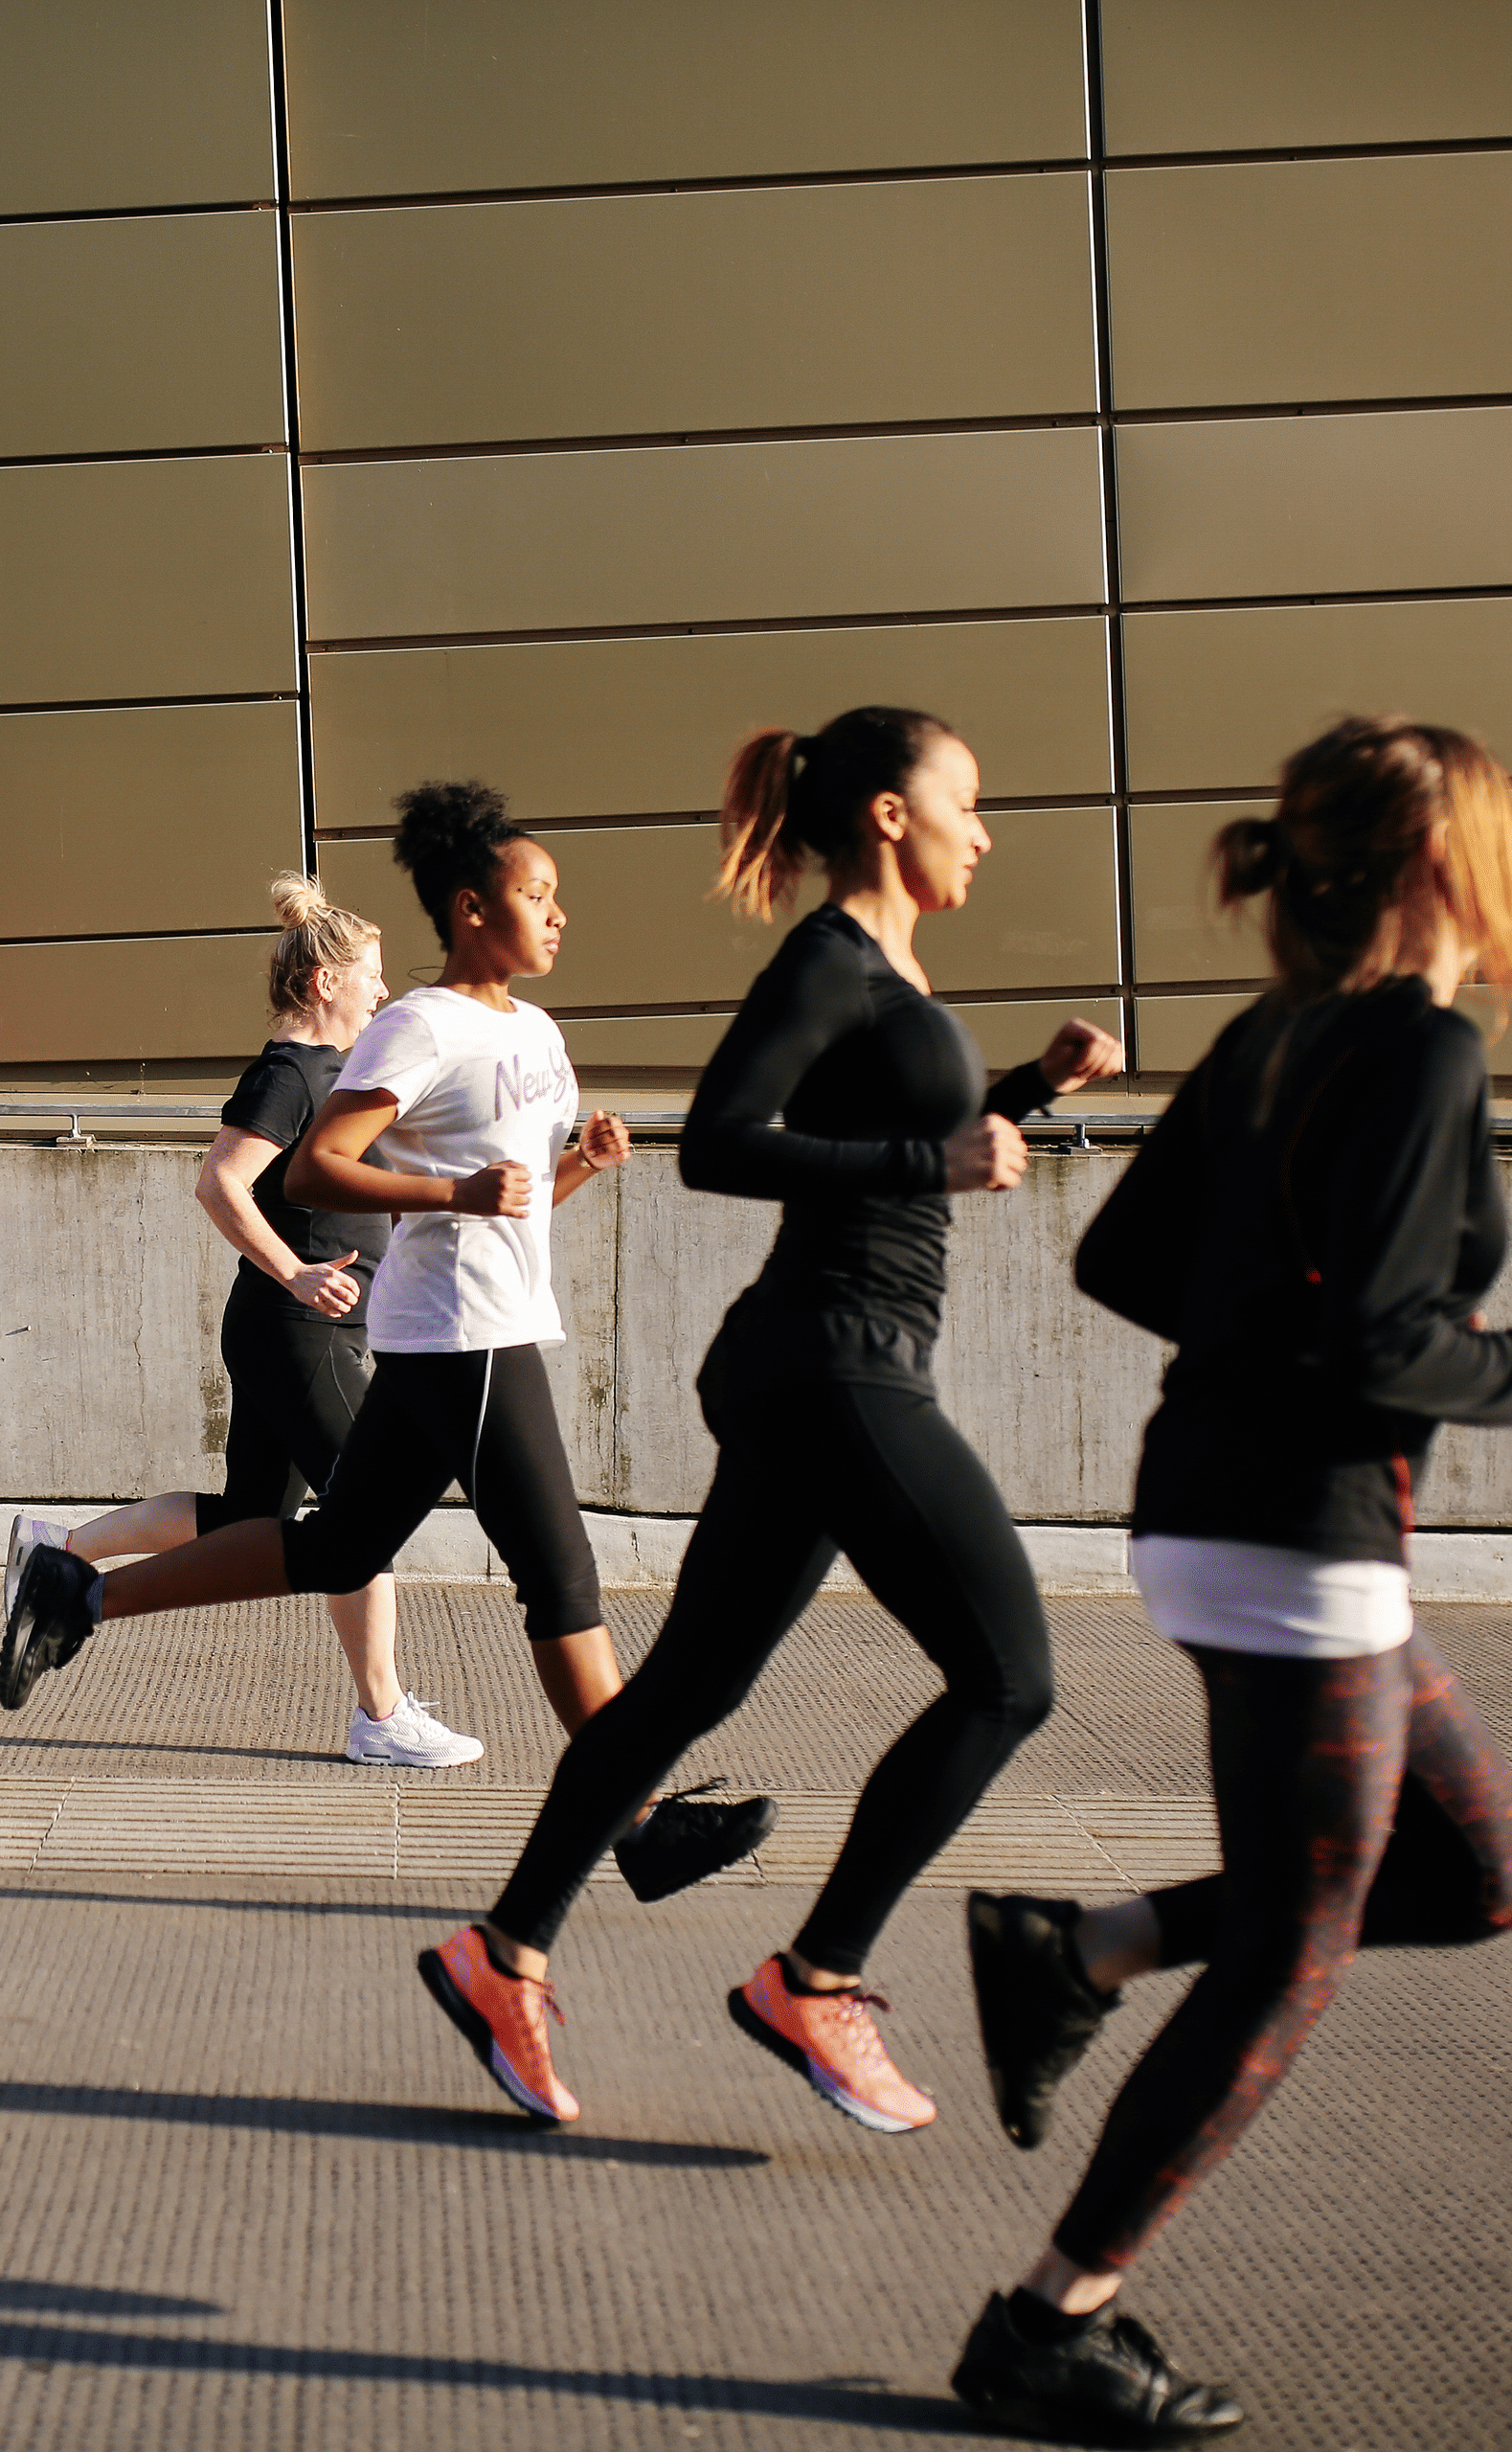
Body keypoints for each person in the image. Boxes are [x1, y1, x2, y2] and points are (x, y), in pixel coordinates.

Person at [945, 716, 1512, 2443]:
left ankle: (1082, 1950)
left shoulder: (1282, 1031)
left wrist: (1288, 1343)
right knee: (1292, 1958)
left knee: (1488, 1871)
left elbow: (1125, 1256)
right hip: (1298, 1547)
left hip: (1228, 1518)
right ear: (1443, 868)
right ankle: (1056, 2318)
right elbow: (1381, 1339)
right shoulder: (1412, 1051)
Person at [423, 710, 1126, 2129]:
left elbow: (889, 1144)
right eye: (966, 801)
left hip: (825, 1362)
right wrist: (936, 1147)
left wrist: (1029, 1094)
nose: (982, 831)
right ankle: (817, 1980)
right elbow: (726, 1139)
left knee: (686, 1690)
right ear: (885, 813)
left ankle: (502, 1956)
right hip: (834, 1361)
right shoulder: (829, 960)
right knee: (1008, 1677)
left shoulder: (888, 973)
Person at [0, 784, 769, 1893]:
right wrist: (454, 1191)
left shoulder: (534, 1029)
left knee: (332, 1546)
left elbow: (515, 1197)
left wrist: (579, 1166)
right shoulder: (419, 1022)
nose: (558, 915)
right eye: (536, 894)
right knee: (561, 1576)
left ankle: (83, 1593)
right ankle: (639, 1822)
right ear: (468, 908)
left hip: (463, 1327)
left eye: (559, 896)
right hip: (462, 1336)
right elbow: (314, 1168)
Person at [8, 874, 480, 1769]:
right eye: (370, 975)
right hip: (298, 1328)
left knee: (249, 1517)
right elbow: (218, 1180)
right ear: (322, 983)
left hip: (294, 1329)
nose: (383, 990)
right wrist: (298, 1272)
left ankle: (57, 1552)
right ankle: (380, 1716)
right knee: (364, 1505)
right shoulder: (289, 1073)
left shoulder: (333, 1074)